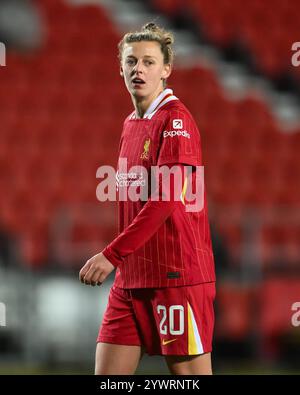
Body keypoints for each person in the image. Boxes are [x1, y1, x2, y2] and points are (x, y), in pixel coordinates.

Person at [79, 22, 216, 375]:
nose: (138, 68)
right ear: (121, 68)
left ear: (166, 69)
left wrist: (111, 255)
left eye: (149, 62)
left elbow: (166, 200)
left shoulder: (176, 121)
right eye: (131, 61)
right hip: (129, 281)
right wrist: (121, 262)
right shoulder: (130, 123)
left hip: (174, 278)